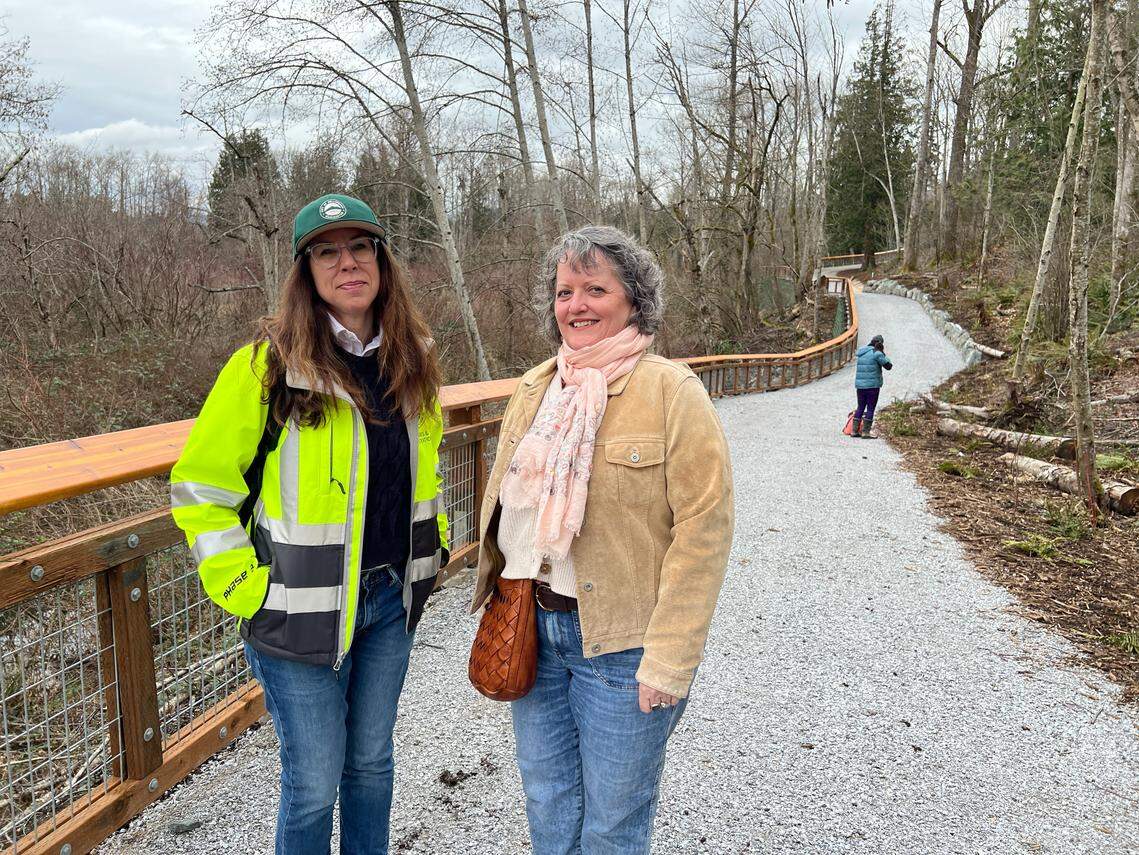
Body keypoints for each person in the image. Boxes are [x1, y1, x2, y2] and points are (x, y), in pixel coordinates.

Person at [170, 194, 449, 855]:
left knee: (372, 765)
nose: (346, 262)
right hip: (297, 610)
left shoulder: (413, 358)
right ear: (306, 269)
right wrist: (245, 583)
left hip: (388, 600)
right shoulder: (266, 365)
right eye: (327, 251)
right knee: (314, 781)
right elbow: (199, 486)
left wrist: (430, 555)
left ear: (382, 261)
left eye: (360, 247)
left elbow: (426, 472)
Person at [469, 226, 735, 854]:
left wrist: (671, 659)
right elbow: (509, 512)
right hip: (534, 627)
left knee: (614, 822)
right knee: (548, 803)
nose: (577, 305)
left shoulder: (672, 393)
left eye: (595, 288)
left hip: (623, 645)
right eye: (565, 292)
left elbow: (704, 531)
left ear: (634, 300)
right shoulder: (537, 389)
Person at [853, 333, 893, 438]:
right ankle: (866, 432)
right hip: (872, 386)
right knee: (870, 407)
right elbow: (888, 366)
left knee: (860, 406)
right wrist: (882, 352)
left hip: (860, 386)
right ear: (879, 343)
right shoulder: (877, 353)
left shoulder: (862, 352)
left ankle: (854, 431)